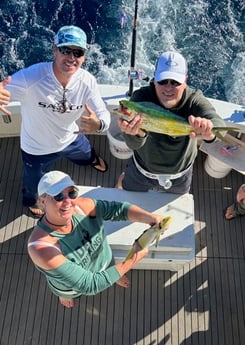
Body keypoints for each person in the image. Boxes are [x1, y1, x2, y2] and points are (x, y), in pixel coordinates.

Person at [0, 25, 110, 216]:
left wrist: (98, 125)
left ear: (84, 56)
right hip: (36, 149)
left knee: (87, 155)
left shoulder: (88, 81)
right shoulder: (30, 78)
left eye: (78, 52)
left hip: (71, 138)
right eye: (65, 50)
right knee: (32, 186)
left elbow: (104, 115)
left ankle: (92, 159)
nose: (71, 57)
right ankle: (32, 201)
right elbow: (4, 90)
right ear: (54, 49)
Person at [27, 170, 164, 308]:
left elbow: (119, 210)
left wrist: (150, 218)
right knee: (68, 292)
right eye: (58, 197)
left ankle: (113, 275)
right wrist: (133, 258)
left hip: (105, 261)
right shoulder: (41, 248)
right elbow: (90, 285)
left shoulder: (82, 206)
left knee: (112, 273)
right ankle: (64, 295)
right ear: (42, 201)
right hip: (72, 287)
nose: (68, 201)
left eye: (72, 193)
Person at [116, 51, 226, 194]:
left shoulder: (194, 99)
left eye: (175, 82)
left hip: (180, 176)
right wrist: (135, 134)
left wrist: (209, 130)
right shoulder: (141, 98)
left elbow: (220, 126)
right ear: (154, 78)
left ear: (185, 81)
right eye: (163, 81)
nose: (168, 88)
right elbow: (133, 144)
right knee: (126, 191)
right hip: (140, 172)